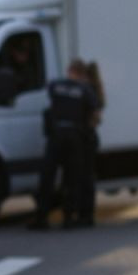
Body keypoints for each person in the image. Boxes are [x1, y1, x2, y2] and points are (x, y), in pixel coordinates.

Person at [29, 58, 100, 230]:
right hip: (75, 137)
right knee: (72, 178)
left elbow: (50, 104)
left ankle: (41, 217)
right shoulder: (85, 89)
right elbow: (96, 115)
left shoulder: (55, 85)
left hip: (56, 136)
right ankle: (68, 218)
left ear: (69, 70)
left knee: (47, 176)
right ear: (82, 74)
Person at [78, 60, 105, 227]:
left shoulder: (87, 90)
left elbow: (96, 117)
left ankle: (85, 215)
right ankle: (87, 214)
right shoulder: (96, 90)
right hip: (91, 138)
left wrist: (85, 127)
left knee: (84, 178)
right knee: (88, 178)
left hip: (86, 139)